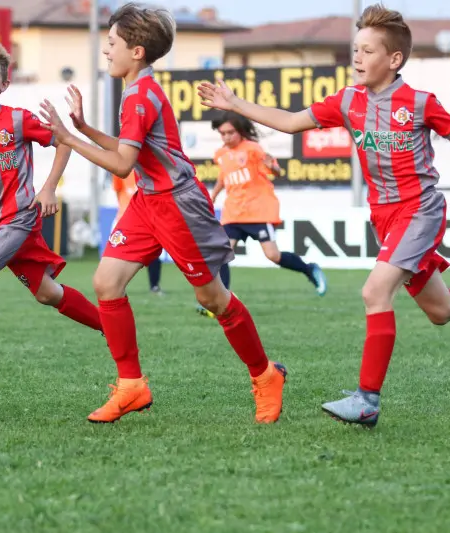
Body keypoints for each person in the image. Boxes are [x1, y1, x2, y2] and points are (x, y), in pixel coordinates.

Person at [198, 3, 450, 427]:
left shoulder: (418, 102)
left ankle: (367, 400)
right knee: (442, 309)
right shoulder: (347, 101)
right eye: (355, 49)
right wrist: (236, 103)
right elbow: (287, 121)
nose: (357, 57)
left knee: (375, 291)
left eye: (368, 51)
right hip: (386, 217)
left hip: (420, 209)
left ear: (394, 59)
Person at [39, 2, 287, 424]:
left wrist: (67, 136)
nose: (106, 50)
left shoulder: (140, 95)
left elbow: (121, 165)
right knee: (106, 281)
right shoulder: (137, 90)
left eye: (112, 43)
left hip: (177, 205)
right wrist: (82, 129)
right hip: (148, 200)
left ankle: (266, 376)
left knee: (213, 299)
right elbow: (126, 151)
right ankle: (131, 385)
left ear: (136, 51)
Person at [0, 43, 104, 397]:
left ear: (5, 83)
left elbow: (64, 141)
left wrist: (48, 189)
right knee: (48, 294)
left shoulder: (17, 119)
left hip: (20, 219)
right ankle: (111, 326)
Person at [197, 111, 328, 319]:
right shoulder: (220, 154)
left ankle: (309, 269)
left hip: (258, 211)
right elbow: (224, 178)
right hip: (233, 213)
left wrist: (271, 167)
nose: (226, 137)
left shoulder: (253, 149)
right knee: (221, 255)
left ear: (239, 132)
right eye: (222, 133)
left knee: (273, 256)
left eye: (230, 132)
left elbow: (275, 171)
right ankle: (221, 302)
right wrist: (212, 196)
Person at [113, 170, 164, 294]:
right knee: (118, 255)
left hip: (149, 217)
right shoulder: (121, 168)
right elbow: (118, 190)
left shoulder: (147, 168)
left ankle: (154, 285)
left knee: (153, 253)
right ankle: (116, 286)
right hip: (126, 217)